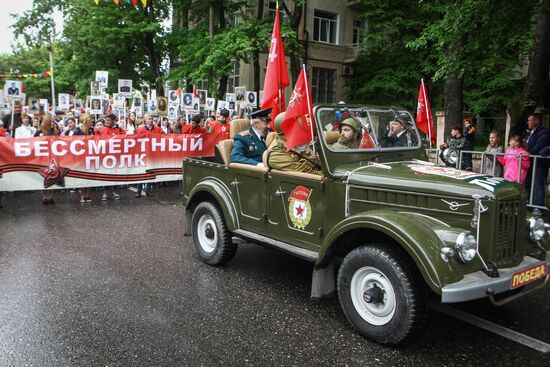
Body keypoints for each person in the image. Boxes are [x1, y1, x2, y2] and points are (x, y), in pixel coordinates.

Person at [523, 112, 550, 212]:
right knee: (528, 183)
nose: (528, 122)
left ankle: (538, 207)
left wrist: (528, 153)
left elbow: (539, 145)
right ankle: (528, 204)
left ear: (537, 121)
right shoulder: (529, 131)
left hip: (539, 163)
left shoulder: (544, 132)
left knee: (538, 185)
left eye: (530, 120)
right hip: (529, 162)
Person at [97, 114, 125, 201]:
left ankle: (115, 191)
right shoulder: (101, 130)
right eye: (106, 120)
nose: (106, 122)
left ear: (114, 120)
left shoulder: (120, 130)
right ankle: (105, 192)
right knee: (106, 175)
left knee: (115, 175)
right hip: (105, 156)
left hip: (116, 156)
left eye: (108, 120)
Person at [134, 113, 162, 198]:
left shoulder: (158, 129)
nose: (151, 120)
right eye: (149, 118)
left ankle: (148, 190)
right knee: (141, 172)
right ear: (145, 120)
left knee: (150, 172)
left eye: (152, 118)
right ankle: (138, 191)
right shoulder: (139, 130)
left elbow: (164, 138)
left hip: (152, 154)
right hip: (142, 154)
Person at [34, 116, 60, 205]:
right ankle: (44, 196)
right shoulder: (38, 132)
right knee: (44, 177)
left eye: (53, 121)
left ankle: (51, 196)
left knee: (53, 177)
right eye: (50, 121)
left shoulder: (55, 132)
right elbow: (33, 144)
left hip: (53, 157)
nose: (52, 123)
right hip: (42, 158)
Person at [74, 114, 95, 203]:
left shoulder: (92, 130)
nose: (92, 121)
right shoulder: (77, 131)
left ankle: (88, 195)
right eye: (90, 119)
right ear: (85, 120)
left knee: (90, 176)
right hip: (80, 157)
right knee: (82, 176)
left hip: (90, 156)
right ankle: (82, 194)